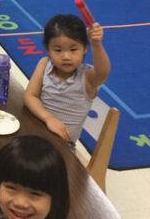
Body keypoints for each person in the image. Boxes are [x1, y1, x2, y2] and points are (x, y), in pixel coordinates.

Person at [23, 14, 111, 147]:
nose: (66, 56)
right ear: (48, 50)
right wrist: (48, 118)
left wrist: (97, 44)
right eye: (58, 50)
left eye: (73, 49)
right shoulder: (44, 64)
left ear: (85, 48)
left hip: (62, 146)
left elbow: (103, 72)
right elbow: (30, 96)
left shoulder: (87, 78)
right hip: (36, 133)